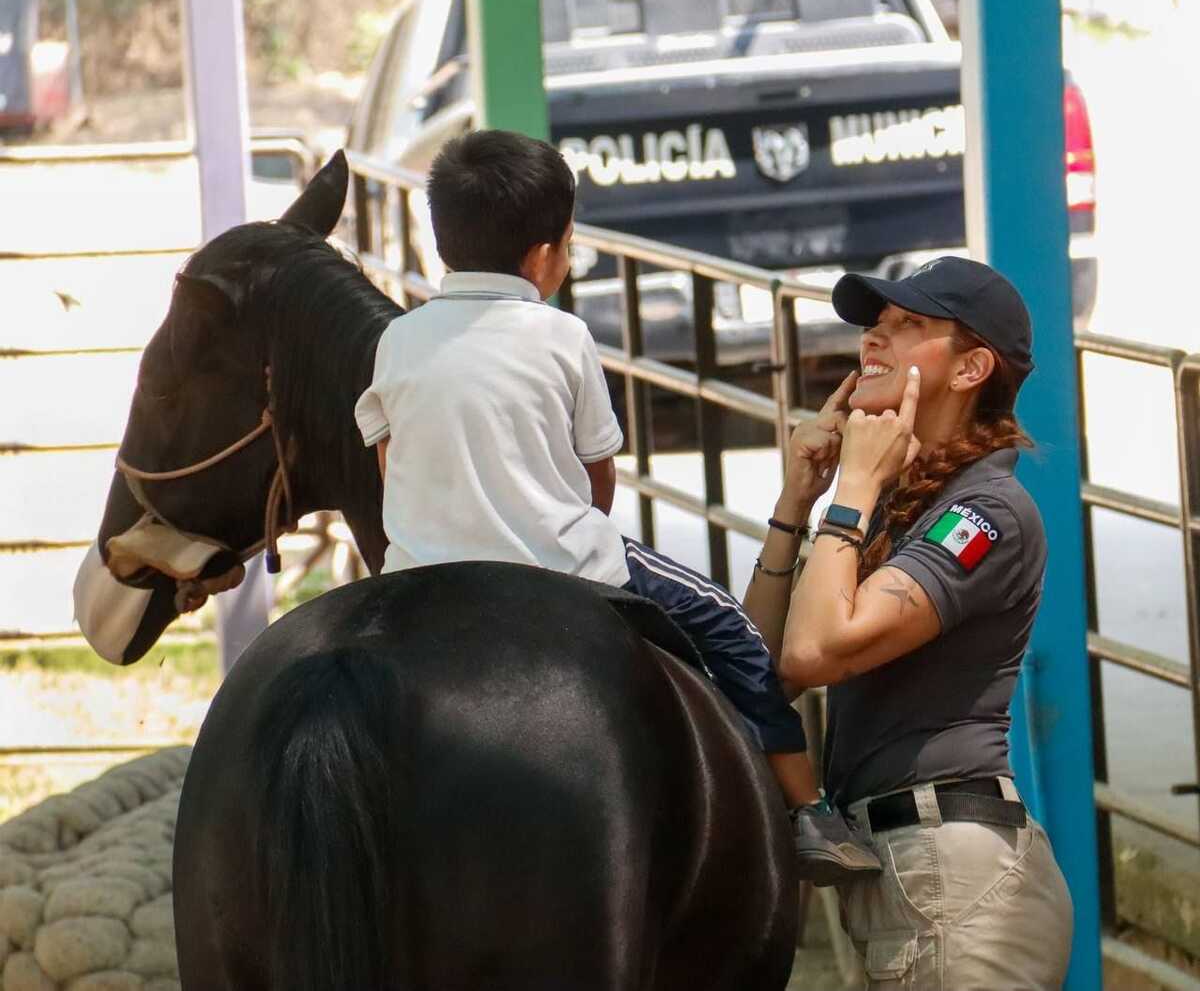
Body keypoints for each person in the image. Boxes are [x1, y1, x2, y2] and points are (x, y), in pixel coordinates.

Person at [353, 128, 879, 883]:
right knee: (728, 627)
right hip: (562, 565)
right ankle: (806, 811)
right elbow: (598, 480)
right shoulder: (563, 335)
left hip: (418, 576)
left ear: (444, 244)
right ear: (545, 256)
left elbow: (386, 464)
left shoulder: (398, 339)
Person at [743, 255, 1073, 988]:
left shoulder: (984, 514)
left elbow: (819, 647)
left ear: (970, 368)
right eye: (874, 324)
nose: (873, 340)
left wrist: (853, 487)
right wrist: (800, 500)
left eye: (907, 325)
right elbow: (767, 671)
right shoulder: (898, 504)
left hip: (958, 874)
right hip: (902, 874)